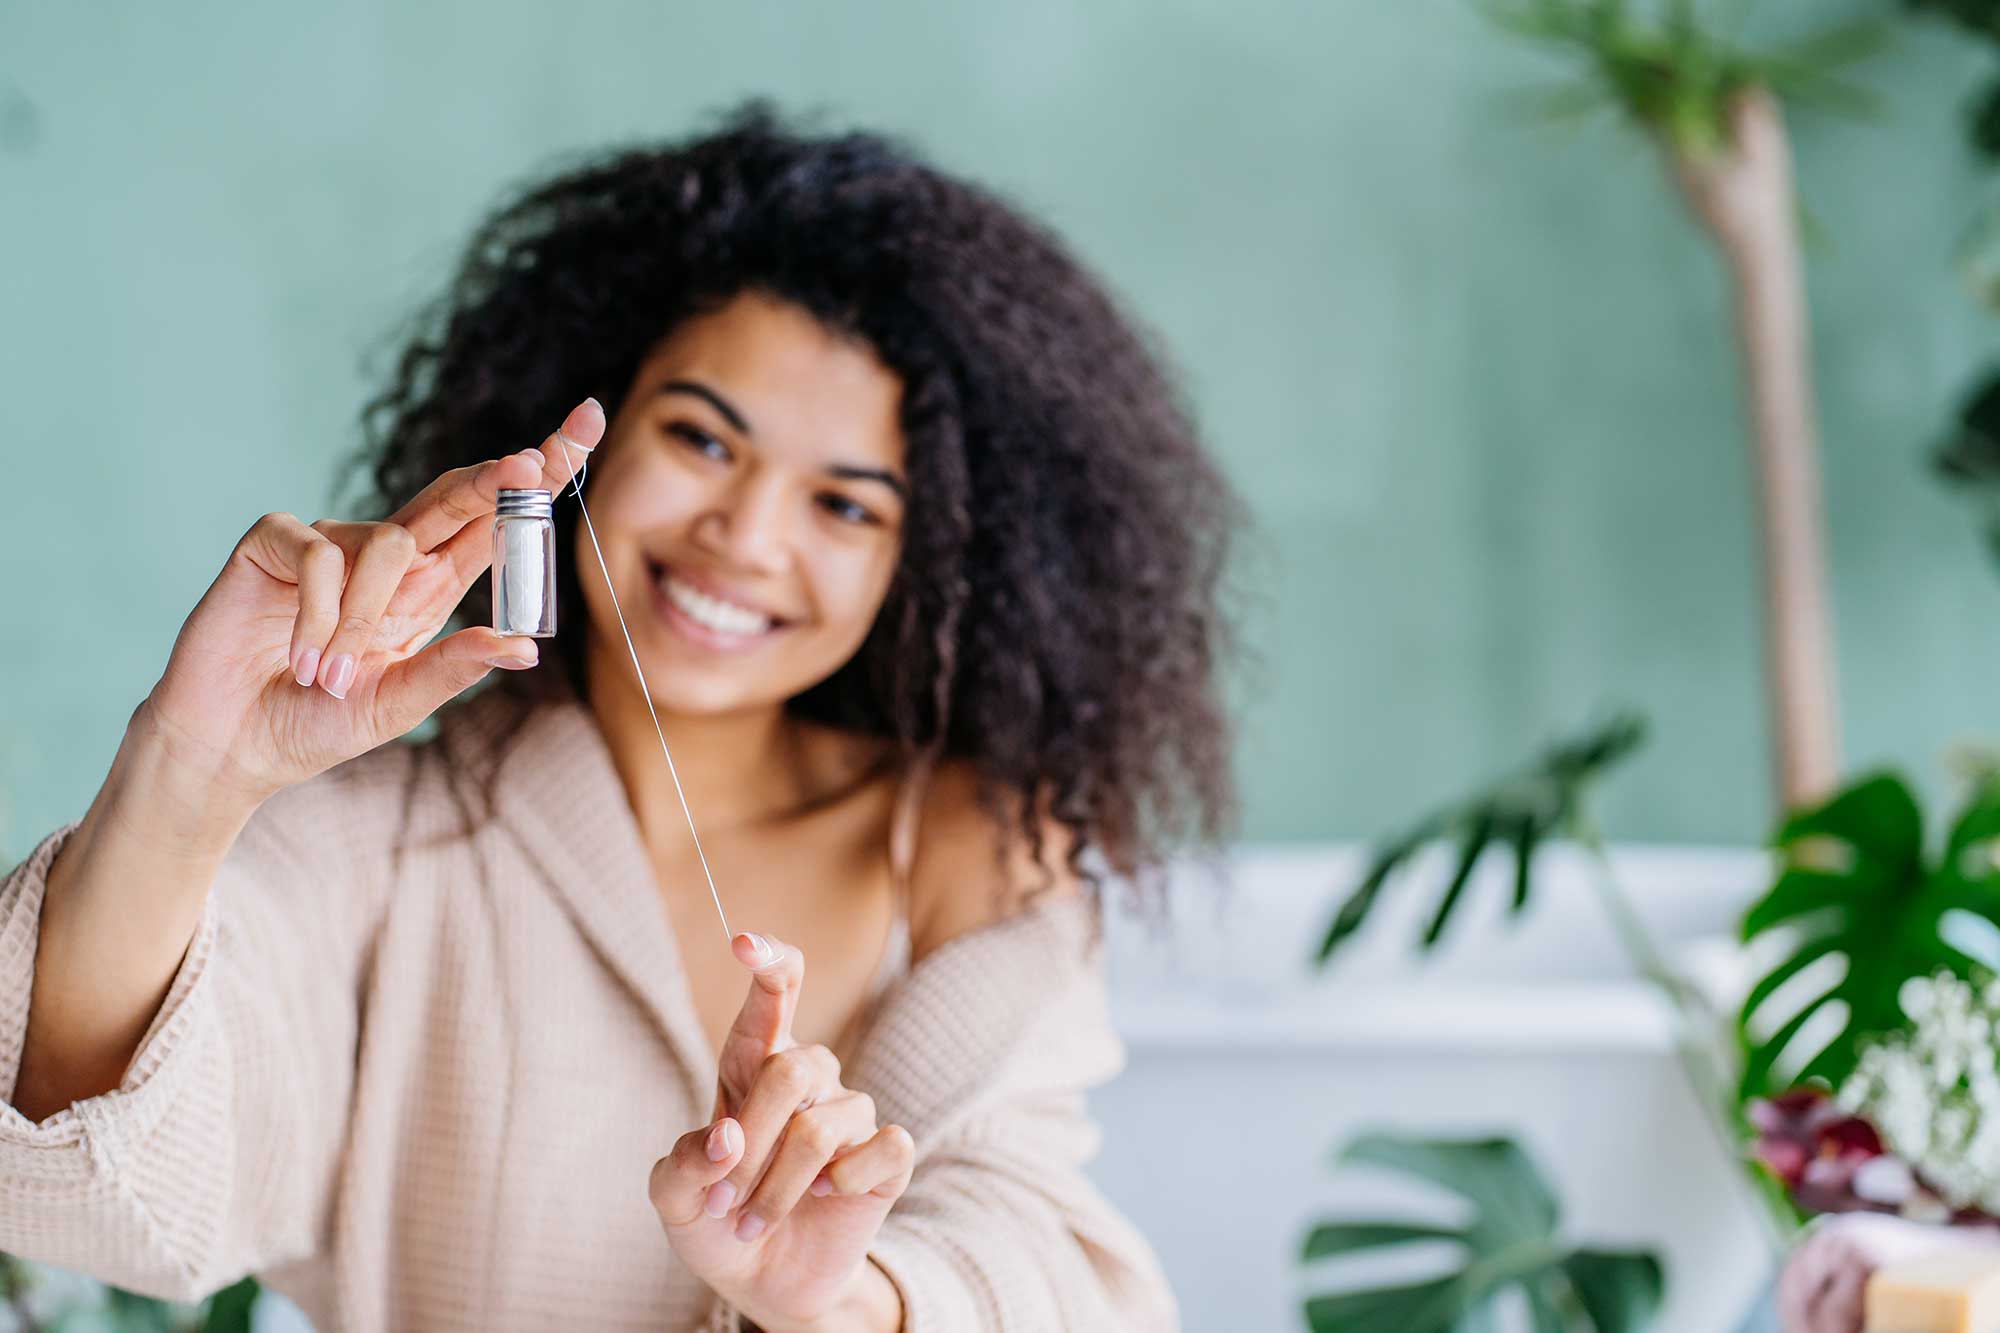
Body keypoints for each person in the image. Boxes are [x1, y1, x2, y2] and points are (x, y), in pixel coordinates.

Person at [0, 100, 1239, 1331]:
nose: (745, 538)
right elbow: (100, 1191)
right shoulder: (380, 845)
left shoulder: (963, 843)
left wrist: (838, 1298)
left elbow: (1052, 1262)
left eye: (845, 507)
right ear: (583, 432)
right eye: (702, 439)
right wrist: (187, 772)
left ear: (934, 565)